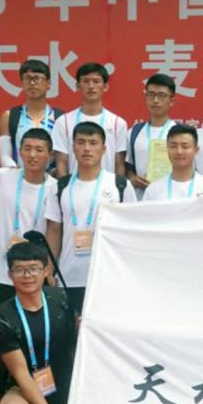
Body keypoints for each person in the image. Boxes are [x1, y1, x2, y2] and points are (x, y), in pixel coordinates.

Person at [0, 241, 76, 404]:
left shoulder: (61, 300)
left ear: (46, 271)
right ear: (10, 275)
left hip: (62, 381)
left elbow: (77, 342)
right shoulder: (3, 318)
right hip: (25, 386)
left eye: (34, 268)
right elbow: (21, 373)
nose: (27, 275)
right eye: (20, 269)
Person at [46, 121, 134, 315]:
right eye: (81, 142)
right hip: (68, 276)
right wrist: (49, 271)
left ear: (104, 149)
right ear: (73, 148)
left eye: (93, 143)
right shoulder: (60, 187)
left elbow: (130, 232)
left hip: (107, 276)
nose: (87, 148)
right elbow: (54, 230)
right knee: (70, 332)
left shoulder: (119, 185)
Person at [0, 128, 58, 318]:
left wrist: (49, 272)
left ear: (50, 155)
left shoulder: (55, 188)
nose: (32, 155)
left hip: (35, 275)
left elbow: (54, 232)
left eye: (39, 150)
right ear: (19, 152)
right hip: (1, 272)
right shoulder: (2, 177)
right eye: (27, 148)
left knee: (33, 326)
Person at [51, 62, 128, 179]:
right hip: (74, 187)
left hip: (107, 188)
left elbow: (119, 163)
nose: (91, 86)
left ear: (105, 86)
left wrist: (118, 187)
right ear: (77, 86)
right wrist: (64, 187)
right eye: (86, 81)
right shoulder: (63, 122)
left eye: (96, 81)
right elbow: (61, 162)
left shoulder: (118, 123)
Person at [0, 59, 64, 170]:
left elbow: (62, 157)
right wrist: (19, 175)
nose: (32, 83)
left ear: (48, 84)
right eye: (28, 78)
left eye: (37, 78)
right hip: (18, 177)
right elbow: (5, 157)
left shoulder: (60, 118)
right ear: (21, 84)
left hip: (50, 178)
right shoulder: (9, 116)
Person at [125, 73, 180, 200]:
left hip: (171, 197)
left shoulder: (180, 133)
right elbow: (128, 166)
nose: (155, 100)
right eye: (151, 94)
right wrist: (132, 178)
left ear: (171, 101)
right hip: (141, 198)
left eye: (161, 95)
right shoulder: (134, 132)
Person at [142, 124, 203, 201]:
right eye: (173, 146)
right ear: (167, 149)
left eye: (185, 146)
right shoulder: (153, 191)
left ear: (196, 150)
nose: (179, 152)